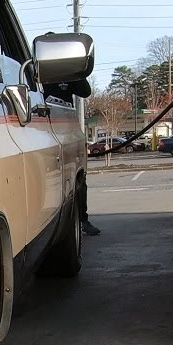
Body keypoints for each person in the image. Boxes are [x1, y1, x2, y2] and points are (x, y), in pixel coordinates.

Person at [46, 78, 101, 236]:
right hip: (39, 129)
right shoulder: (35, 67)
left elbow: (85, 91)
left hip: (65, 128)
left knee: (79, 181)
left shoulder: (65, 71)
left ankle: (82, 220)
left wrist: (76, 73)